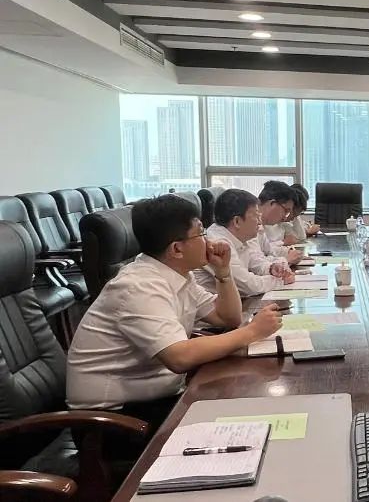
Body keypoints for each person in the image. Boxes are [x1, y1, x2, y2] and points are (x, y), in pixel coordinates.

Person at [66, 194, 283, 429]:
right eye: (201, 233)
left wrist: (223, 272)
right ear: (177, 249)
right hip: (112, 420)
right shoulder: (138, 286)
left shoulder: (178, 275)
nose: (209, 241)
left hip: (156, 398)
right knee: (245, 416)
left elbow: (228, 317)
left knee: (248, 401)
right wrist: (252, 332)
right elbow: (180, 357)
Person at [194, 189, 295, 296]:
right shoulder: (218, 243)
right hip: (212, 305)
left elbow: (255, 262)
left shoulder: (239, 237)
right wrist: (280, 281)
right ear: (237, 221)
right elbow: (247, 286)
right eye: (256, 216)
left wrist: (271, 268)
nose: (260, 222)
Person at [256, 180, 303, 265]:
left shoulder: (260, 225)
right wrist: (286, 260)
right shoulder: (249, 223)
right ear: (272, 204)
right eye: (286, 211)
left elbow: (268, 250)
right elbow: (256, 264)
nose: (285, 218)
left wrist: (287, 252)